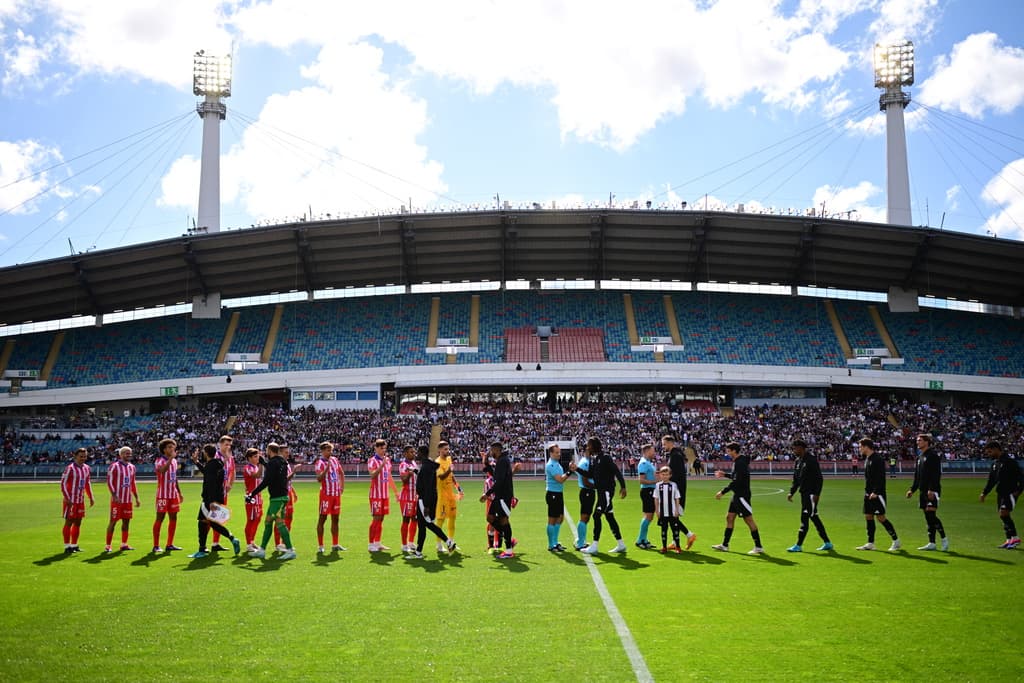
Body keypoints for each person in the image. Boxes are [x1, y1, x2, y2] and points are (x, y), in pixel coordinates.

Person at [188, 444, 241, 559]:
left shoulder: (211, 466)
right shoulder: (216, 464)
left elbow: (211, 483)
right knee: (212, 522)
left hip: (209, 499)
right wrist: (196, 462)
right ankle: (231, 539)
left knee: (203, 522)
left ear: (206, 453)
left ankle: (202, 549)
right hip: (217, 497)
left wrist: (211, 501)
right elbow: (207, 473)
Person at [247, 442, 297, 560]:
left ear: (269, 451)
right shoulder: (282, 462)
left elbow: (266, 481)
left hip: (277, 498)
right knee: (268, 522)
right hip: (281, 496)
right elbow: (274, 473)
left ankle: (290, 550)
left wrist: (252, 494)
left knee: (280, 523)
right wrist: (264, 463)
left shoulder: (274, 463)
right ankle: (262, 550)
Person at [713, 442, 764, 554]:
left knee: (748, 520)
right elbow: (736, 477)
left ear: (734, 451)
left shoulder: (740, 463)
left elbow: (737, 481)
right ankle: (725, 545)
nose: (727, 453)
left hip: (742, 496)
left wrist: (723, 492)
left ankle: (759, 546)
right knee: (729, 518)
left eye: (728, 451)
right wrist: (725, 475)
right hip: (737, 495)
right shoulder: (738, 462)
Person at [579, 436, 627, 555]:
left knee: (596, 516)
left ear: (594, 446)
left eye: (589, 445)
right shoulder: (594, 459)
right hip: (601, 492)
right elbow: (589, 474)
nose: (587, 447)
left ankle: (594, 545)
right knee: (610, 517)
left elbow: (616, 471)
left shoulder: (605, 458)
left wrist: (623, 486)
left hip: (606, 492)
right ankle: (621, 544)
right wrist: (577, 469)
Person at [785, 439, 833, 552]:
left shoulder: (811, 460)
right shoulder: (797, 461)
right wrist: (791, 492)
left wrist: (817, 494)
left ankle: (798, 545)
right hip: (804, 494)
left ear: (802, 448)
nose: (794, 450)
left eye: (795, 448)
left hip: (811, 495)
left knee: (805, 518)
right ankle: (827, 543)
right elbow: (796, 479)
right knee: (814, 518)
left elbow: (819, 478)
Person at [408, 445, 454, 559]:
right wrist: (414, 470)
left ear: (421, 453)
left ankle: (448, 542)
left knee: (426, 524)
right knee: (424, 525)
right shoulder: (428, 466)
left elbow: (428, 486)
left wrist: (427, 505)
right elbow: (425, 478)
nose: (416, 455)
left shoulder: (425, 467)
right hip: (428, 499)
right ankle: (419, 551)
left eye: (417, 452)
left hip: (424, 500)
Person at [855, 438, 900, 551]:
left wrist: (876, 491)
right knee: (868, 516)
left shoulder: (877, 459)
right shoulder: (867, 459)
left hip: (877, 494)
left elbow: (881, 477)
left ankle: (896, 541)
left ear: (866, 446)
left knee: (881, 517)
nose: (859, 449)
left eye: (860, 447)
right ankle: (870, 543)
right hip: (868, 493)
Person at [906, 433, 948, 551]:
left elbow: (936, 474)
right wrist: (912, 489)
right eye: (917, 440)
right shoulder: (920, 457)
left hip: (932, 491)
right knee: (927, 517)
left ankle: (944, 539)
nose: (917, 442)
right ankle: (932, 543)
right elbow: (917, 476)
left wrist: (932, 489)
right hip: (922, 491)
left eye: (920, 440)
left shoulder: (932, 456)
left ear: (926, 442)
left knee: (931, 515)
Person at [979, 441, 1023, 549]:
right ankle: (1009, 540)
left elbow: (1021, 477)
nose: (988, 454)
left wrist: (1018, 491)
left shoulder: (1009, 462)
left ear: (996, 449)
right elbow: (992, 481)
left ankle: (1015, 538)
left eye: (990, 452)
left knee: (1004, 513)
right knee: (1002, 515)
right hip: (1001, 493)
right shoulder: (995, 464)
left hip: (1010, 493)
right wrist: (984, 493)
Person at [482, 442, 517, 558]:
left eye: (492, 451)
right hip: (500, 496)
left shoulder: (502, 461)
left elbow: (499, 481)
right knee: (490, 518)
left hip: (503, 496)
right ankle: (507, 539)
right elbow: (496, 476)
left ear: (496, 450)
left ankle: (508, 550)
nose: (491, 453)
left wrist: (487, 494)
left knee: (504, 521)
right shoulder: (502, 460)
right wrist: (486, 463)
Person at [105, 446, 140, 552]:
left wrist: (136, 498)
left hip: (127, 500)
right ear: (121, 455)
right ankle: (108, 545)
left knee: (126, 522)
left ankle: (124, 544)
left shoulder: (132, 467)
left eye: (130, 453)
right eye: (126, 453)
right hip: (117, 500)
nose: (128, 455)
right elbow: (109, 482)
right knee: (113, 521)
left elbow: (133, 483)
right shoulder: (114, 466)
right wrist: (114, 495)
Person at [60, 447, 94, 553]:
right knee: (69, 522)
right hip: (71, 500)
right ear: (75, 456)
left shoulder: (87, 468)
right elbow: (63, 483)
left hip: (80, 500)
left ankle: (74, 545)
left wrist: (91, 496)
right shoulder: (70, 468)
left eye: (85, 456)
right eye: (81, 456)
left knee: (78, 522)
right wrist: (67, 497)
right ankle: (67, 546)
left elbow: (87, 483)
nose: (83, 458)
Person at [367, 438, 399, 552]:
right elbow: (373, 475)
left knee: (381, 519)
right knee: (376, 518)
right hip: (376, 494)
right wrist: (382, 465)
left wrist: (396, 492)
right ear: (376, 448)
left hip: (384, 494)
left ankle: (378, 542)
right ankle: (370, 544)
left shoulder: (387, 460)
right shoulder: (372, 461)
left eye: (384, 448)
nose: (383, 450)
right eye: (381, 448)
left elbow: (389, 477)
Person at [152, 438, 183, 553]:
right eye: (170, 447)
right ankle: (156, 545)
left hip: (173, 495)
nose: (172, 449)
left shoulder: (174, 462)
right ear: (164, 449)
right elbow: (163, 471)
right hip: (162, 495)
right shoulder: (159, 460)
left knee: (173, 518)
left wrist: (179, 492)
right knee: (160, 518)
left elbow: (175, 478)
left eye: (173, 447)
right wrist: (171, 458)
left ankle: (169, 544)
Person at [315, 441, 345, 554]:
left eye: (331, 450)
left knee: (336, 519)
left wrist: (342, 487)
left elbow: (341, 473)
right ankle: (321, 545)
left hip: (336, 495)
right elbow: (319, 478)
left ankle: (335, 544)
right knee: (322, 519)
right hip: (326, 495)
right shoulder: (320, 463)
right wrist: (326, 469)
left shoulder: (335, 460)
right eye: (328, 450)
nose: (330, 452)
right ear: (322, 451)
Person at [544, 444, 574, 552]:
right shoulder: (551, 465)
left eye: (559, 452)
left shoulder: (556, 464)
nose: (558, 454)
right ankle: (551, 544)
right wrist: (570, 471)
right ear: (551, 453)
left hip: (558, 494)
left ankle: (555, 542)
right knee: (552, 520)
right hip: (552, 494)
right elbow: (560, 479)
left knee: (560, 518)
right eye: (556, 452)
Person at [210, 435, 236, 551]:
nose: (228, 447)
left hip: (224, 492)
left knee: (220, 517)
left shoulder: (230, 457)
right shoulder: (216, 456)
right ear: (220, 444)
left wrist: (230, 484)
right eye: (226, 444)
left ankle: (215, 543)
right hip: (215, 492)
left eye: (229, 445)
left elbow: (233, 471)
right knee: (210, 518)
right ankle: (204, 545)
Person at [435, 441, 460, 552]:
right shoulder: (437, 462)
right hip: (442, 496)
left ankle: (451, 541)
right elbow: (441, 477)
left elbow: (451, 475)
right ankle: (439, 545)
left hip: (451, 495)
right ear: (439, 450)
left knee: (452, 518)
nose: (447, 451)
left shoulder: (449, 459)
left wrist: (458, 488)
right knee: (441, 520)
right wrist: (449, 470)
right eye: (445, 449)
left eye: (448, 449)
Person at [654, 466, 686, 552]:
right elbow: (656, 499)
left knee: (675, 530)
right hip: (662, 512)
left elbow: (677, 498)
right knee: (663, 530)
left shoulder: (673, 485)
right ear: (660, 475)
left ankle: (678, 547)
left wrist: (676, 510)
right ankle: (664, 547)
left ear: (670, 475)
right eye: (663, 474)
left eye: (666, 474)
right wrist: (657, 511)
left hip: (672, 512)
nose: (665, 476)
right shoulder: (657, 485)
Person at [274, 444, 298, 551]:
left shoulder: (286, 464)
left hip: (288, 494)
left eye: (288, 452)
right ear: (280, 453)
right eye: (285, 452)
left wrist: (293, 492)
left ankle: (284, 543)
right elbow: (283, 480)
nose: (288, 454)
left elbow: (288, 483)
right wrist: (294, 472)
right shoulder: (278, 465)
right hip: (281, 495)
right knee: (280, 519)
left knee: (289, 518)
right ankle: (277, 544)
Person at [573, 443, 596, 550]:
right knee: (584, 517)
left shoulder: (589, 461)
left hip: (589, 492)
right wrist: (598, 486)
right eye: (589, 449)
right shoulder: (584, 463)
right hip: (586, 491)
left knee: (586, 517)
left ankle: (581, 540)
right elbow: (585, 481)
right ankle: (580, 542)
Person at [635, 444, 658, 549]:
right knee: (648, 516)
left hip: (650, 491)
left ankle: (644, 539)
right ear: (647, 451)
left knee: (649, 516)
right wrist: (655, 481)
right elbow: (641, 480)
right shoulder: (643, 463)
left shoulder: (648, 462)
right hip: (647, 491)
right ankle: (640, 540)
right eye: (653, 451)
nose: (654, 453)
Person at [397, 445, 419, 553]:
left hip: (415, 496)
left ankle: (411, 542)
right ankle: (404, 544)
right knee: (406, 519)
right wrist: (410, 473)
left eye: (414, 452)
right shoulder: (403, 465)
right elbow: (404, 480)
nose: (413, 454)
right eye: (411, 452)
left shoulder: (414, 464)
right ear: (405, 453)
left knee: (415, 519)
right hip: (406, 496)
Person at [242, 447, 264, 552]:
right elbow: (257, 475)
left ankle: (252, 541)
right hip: (251, 498)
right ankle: (248, 544)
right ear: (249, 458)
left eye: (258, 456)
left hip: (258, 497)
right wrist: (262, 465)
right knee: (251, 520)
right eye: (255, 456)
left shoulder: (255, 467)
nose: (258, 458)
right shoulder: (248, 467)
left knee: (257, 519)